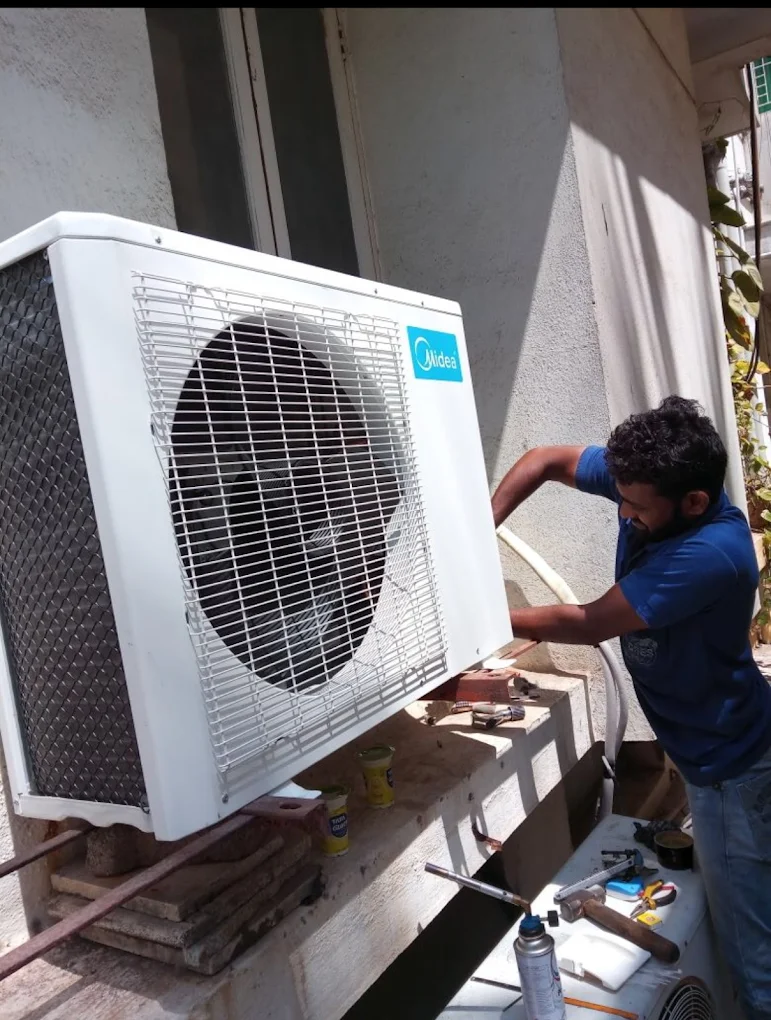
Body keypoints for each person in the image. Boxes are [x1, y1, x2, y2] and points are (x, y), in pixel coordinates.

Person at [491, 395, 771, 1020]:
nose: (623, 513)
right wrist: (479, 529)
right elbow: (543, 461)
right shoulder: (650, 481)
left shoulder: (711, 553)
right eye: (620, 497)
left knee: (755, 967)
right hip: (717, 751)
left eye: (636, 508)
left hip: (730, 770)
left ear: (693, 502)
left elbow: (590, 622)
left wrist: (478, 611)